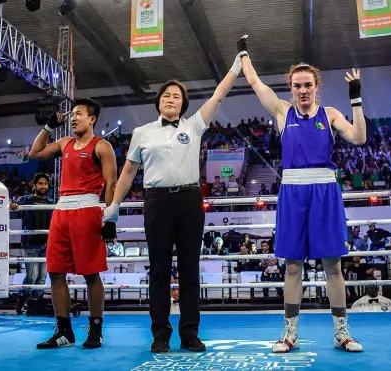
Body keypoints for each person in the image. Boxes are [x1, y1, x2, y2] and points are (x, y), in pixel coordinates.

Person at [103, 49, 245, 353]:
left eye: (176, 96)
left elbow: (217, 98)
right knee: (158, 270)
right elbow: (128, 172)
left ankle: (190, 334)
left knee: (190, 269)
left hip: (190, 200)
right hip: (156, 202)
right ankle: (160, 336)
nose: (170, 99)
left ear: (183, 104)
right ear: (158, 101)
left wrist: (234, 68)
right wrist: (114, 205)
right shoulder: (142, 133)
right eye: (166, 95)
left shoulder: (193, 126)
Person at [240, 35, 365, 352]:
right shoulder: (283, 112)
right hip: (293, 192)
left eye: (308, 84)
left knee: (333, 266)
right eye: (297, 85)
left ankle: (342, 333)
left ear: (316, 86)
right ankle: (289, 333)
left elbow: (359, 138)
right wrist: (242, 53)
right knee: (293, 266)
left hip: (325, 191)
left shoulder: (332, 114)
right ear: (291, 88)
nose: (303, 90)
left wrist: (356, 98)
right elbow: (254, 82)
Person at [28, 97, 117, 349]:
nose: (73, 117)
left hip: (88, 210)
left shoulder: (102, 147)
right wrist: (47, 127)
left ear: (92, 119)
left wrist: (110, 218)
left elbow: (111, 183)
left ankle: (96, 329)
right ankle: (64, 331)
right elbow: (34, 152)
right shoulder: (65, 142)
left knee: (90, 273)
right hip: (62, 210)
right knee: (55, 271)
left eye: (79, 113)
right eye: (72, 114)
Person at [10, 173, 54, 315]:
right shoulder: (26, 200)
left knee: (42, 278)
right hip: (31, 244)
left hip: (47, 244)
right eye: (40, 183)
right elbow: (13, 205)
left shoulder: (50, 202)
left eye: (45, 184)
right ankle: (21, 301)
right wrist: (13, 205)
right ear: (34, 185)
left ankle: (35, 306)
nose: (43, 186)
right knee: (32, 277)